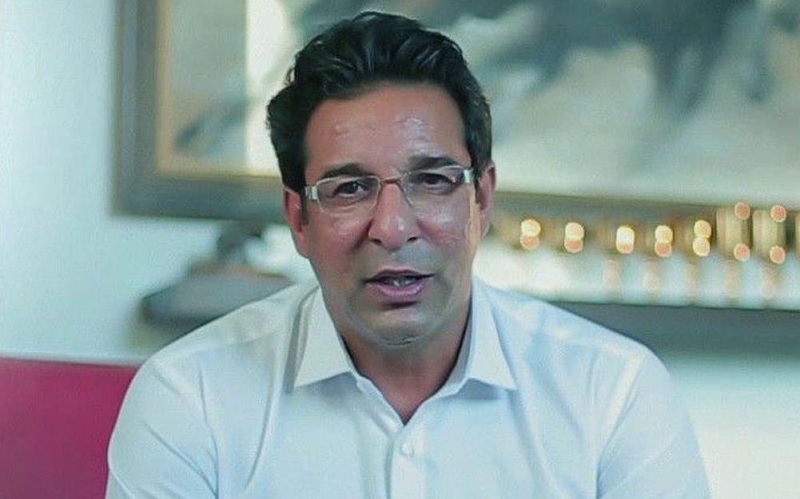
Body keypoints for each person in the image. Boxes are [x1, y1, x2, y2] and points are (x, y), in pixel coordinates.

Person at [106, 11, 709, 498]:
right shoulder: (191, 396)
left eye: (433, 181)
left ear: (482, 199)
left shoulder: (612, 393)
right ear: (298, 219)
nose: (392, 229)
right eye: (349, 189)